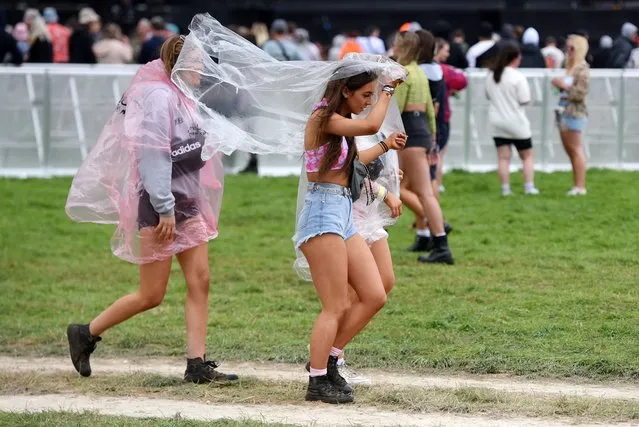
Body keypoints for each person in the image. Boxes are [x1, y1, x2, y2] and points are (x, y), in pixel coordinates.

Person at [65, 35, 237, 384]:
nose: (203, 69)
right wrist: (165, 209)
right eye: (198, 62)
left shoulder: (182, 96)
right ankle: (85, 333)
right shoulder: (158, 97)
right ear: (181, 63)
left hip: (187, 201)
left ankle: (197, 364)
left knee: (200, 280)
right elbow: (152, 156)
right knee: (151, 294)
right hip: (162, 207)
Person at [296, 66, 406, 403]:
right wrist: (388, 90)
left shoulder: (340, 124)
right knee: (335, 305)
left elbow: (353, 163)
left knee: (375, 294)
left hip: (341, 210)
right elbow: (372, 124)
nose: (368, 102)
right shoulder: (322, 118)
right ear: (345, 91)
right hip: (322, 212)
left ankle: (330, 360)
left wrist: (386, 146)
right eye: (365, 95)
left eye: (373, 96)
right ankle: (317, 382)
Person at [392, 31, 453, 264]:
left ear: (402, 47)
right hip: (423, 134)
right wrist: (433, 141)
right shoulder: (419, 72)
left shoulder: (403, 73)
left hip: (410, 136)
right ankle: (437, 237)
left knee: (423, 193)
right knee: (421, 191)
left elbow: (395, 109)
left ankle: (440, 240)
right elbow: (430, 110)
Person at [485, 42, 539, 196]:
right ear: (515, 58)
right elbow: (524, 100)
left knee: (503, 157)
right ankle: (529, 186)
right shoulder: (518, 77)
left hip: (497, 122)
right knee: (527, 155)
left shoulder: (491, 76)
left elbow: (488, 96)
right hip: (516, 122)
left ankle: (505, 189)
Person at [552, 34, 590, 196]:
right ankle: (576, 185)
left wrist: (564, 86)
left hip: (575, 112)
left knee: (575, 149)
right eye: (567, 47)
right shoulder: (569, 67)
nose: (568, 51)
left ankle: (580, 186)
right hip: (564, 110)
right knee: (570, 150)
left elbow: (580, 94)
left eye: (572, 48)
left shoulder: (582, 68)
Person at [435, 38, 468, 192]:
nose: (448, 54)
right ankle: (437, 183)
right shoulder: (445, 70)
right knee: (439, 153)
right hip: (442, 117)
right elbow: (462, 81)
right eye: (446, 50)